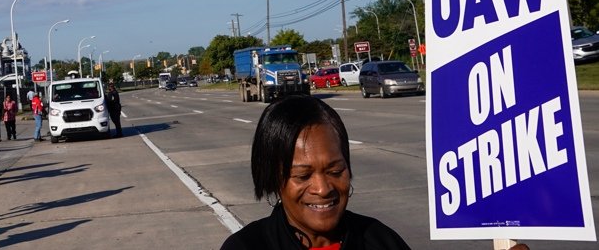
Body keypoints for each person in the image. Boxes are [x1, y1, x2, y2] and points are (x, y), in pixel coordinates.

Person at [219, 97, 533, 250]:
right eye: (302, 176)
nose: (323, 188)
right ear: (273, 177)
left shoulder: (381, 241)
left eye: (335, 170)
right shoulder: (246, 248)